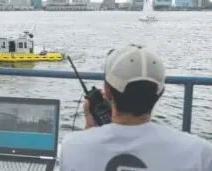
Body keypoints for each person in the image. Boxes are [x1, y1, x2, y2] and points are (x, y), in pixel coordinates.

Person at [59, 45, 212, 171]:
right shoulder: (199, 153)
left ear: (106, 91)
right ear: (160, 93)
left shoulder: (71, 147)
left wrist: (89, 130)